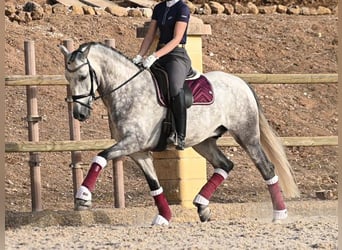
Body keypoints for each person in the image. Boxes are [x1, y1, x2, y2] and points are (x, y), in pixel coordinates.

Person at [132, 0, 192, 150]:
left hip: (176, 55)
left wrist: (154, 56)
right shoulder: (159, 8)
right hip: (160, 53)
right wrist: (139, 56)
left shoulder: (182, 8)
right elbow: (150, 35)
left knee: (174, 88)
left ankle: (180, 135)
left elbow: (177, 38)